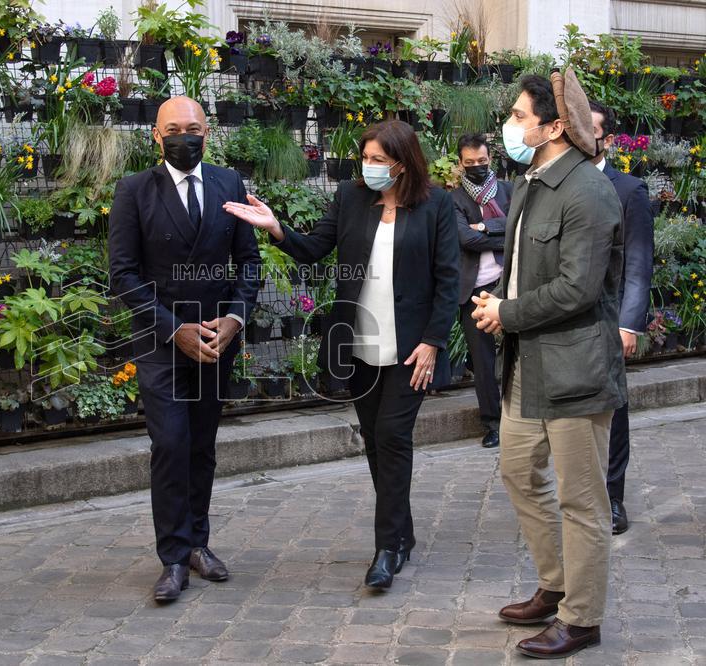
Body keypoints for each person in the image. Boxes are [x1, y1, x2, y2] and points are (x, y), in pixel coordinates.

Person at [223, 120, 460, 591]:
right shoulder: (352, 199)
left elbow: (449, 279)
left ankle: (387, 548)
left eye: (379, 160)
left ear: (403, 162)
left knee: (393, 436)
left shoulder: (437, 205)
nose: (369, 167)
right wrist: (275, 228)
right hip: (359, 343)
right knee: (376, 441)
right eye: (365, 158)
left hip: (411, 347)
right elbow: (313, 249)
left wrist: (433, 341)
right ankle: (403, 532)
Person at [471, 70, 625, 659]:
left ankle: (582, 619)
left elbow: (577, 290)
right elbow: (519, 270)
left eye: (518, 116)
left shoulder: (589, 192)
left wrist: (506, 313)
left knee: (582, 500)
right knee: (518, 472)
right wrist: (498, 303)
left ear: (554, 125)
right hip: (525, 367)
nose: (510, 126)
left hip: (576, 372)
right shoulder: (531, 182)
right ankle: (556, 585)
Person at [108, 96, 261, 602]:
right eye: (173, 128)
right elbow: (123, 275)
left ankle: (199, 543)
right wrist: (176, 330)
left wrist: (235, 319)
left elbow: (249, 262)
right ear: (156, 135)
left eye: (193, 128)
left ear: (207, 133)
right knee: (170, 446)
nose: (184, 136)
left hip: (217, 341)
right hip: (161, 341)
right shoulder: (134, 191)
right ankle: (173, 555)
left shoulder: (228, 183)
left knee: (201, 445)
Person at [590, 100, 654, 535]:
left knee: (612, 411)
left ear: (608, 139)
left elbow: (638, 262)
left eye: (590, 129)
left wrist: (629, 323)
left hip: (609, 319)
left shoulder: (629, 190)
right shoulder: (549, 184)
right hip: (561, 319)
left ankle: (612, 497)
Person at [451, 133, 512, 449]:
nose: (477, 167)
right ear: (460, 164)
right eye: (470, 163)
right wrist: (502, 233)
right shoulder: (455, 199)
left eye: (482, 161)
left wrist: (485, 227)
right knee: (484, 362)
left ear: (491, 160)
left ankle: (526, 418)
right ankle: (493, 424)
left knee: (521, 355)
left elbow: (520, 227)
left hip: (511, 285)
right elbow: (466, 240)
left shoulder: (508, 191)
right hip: (474, 291)